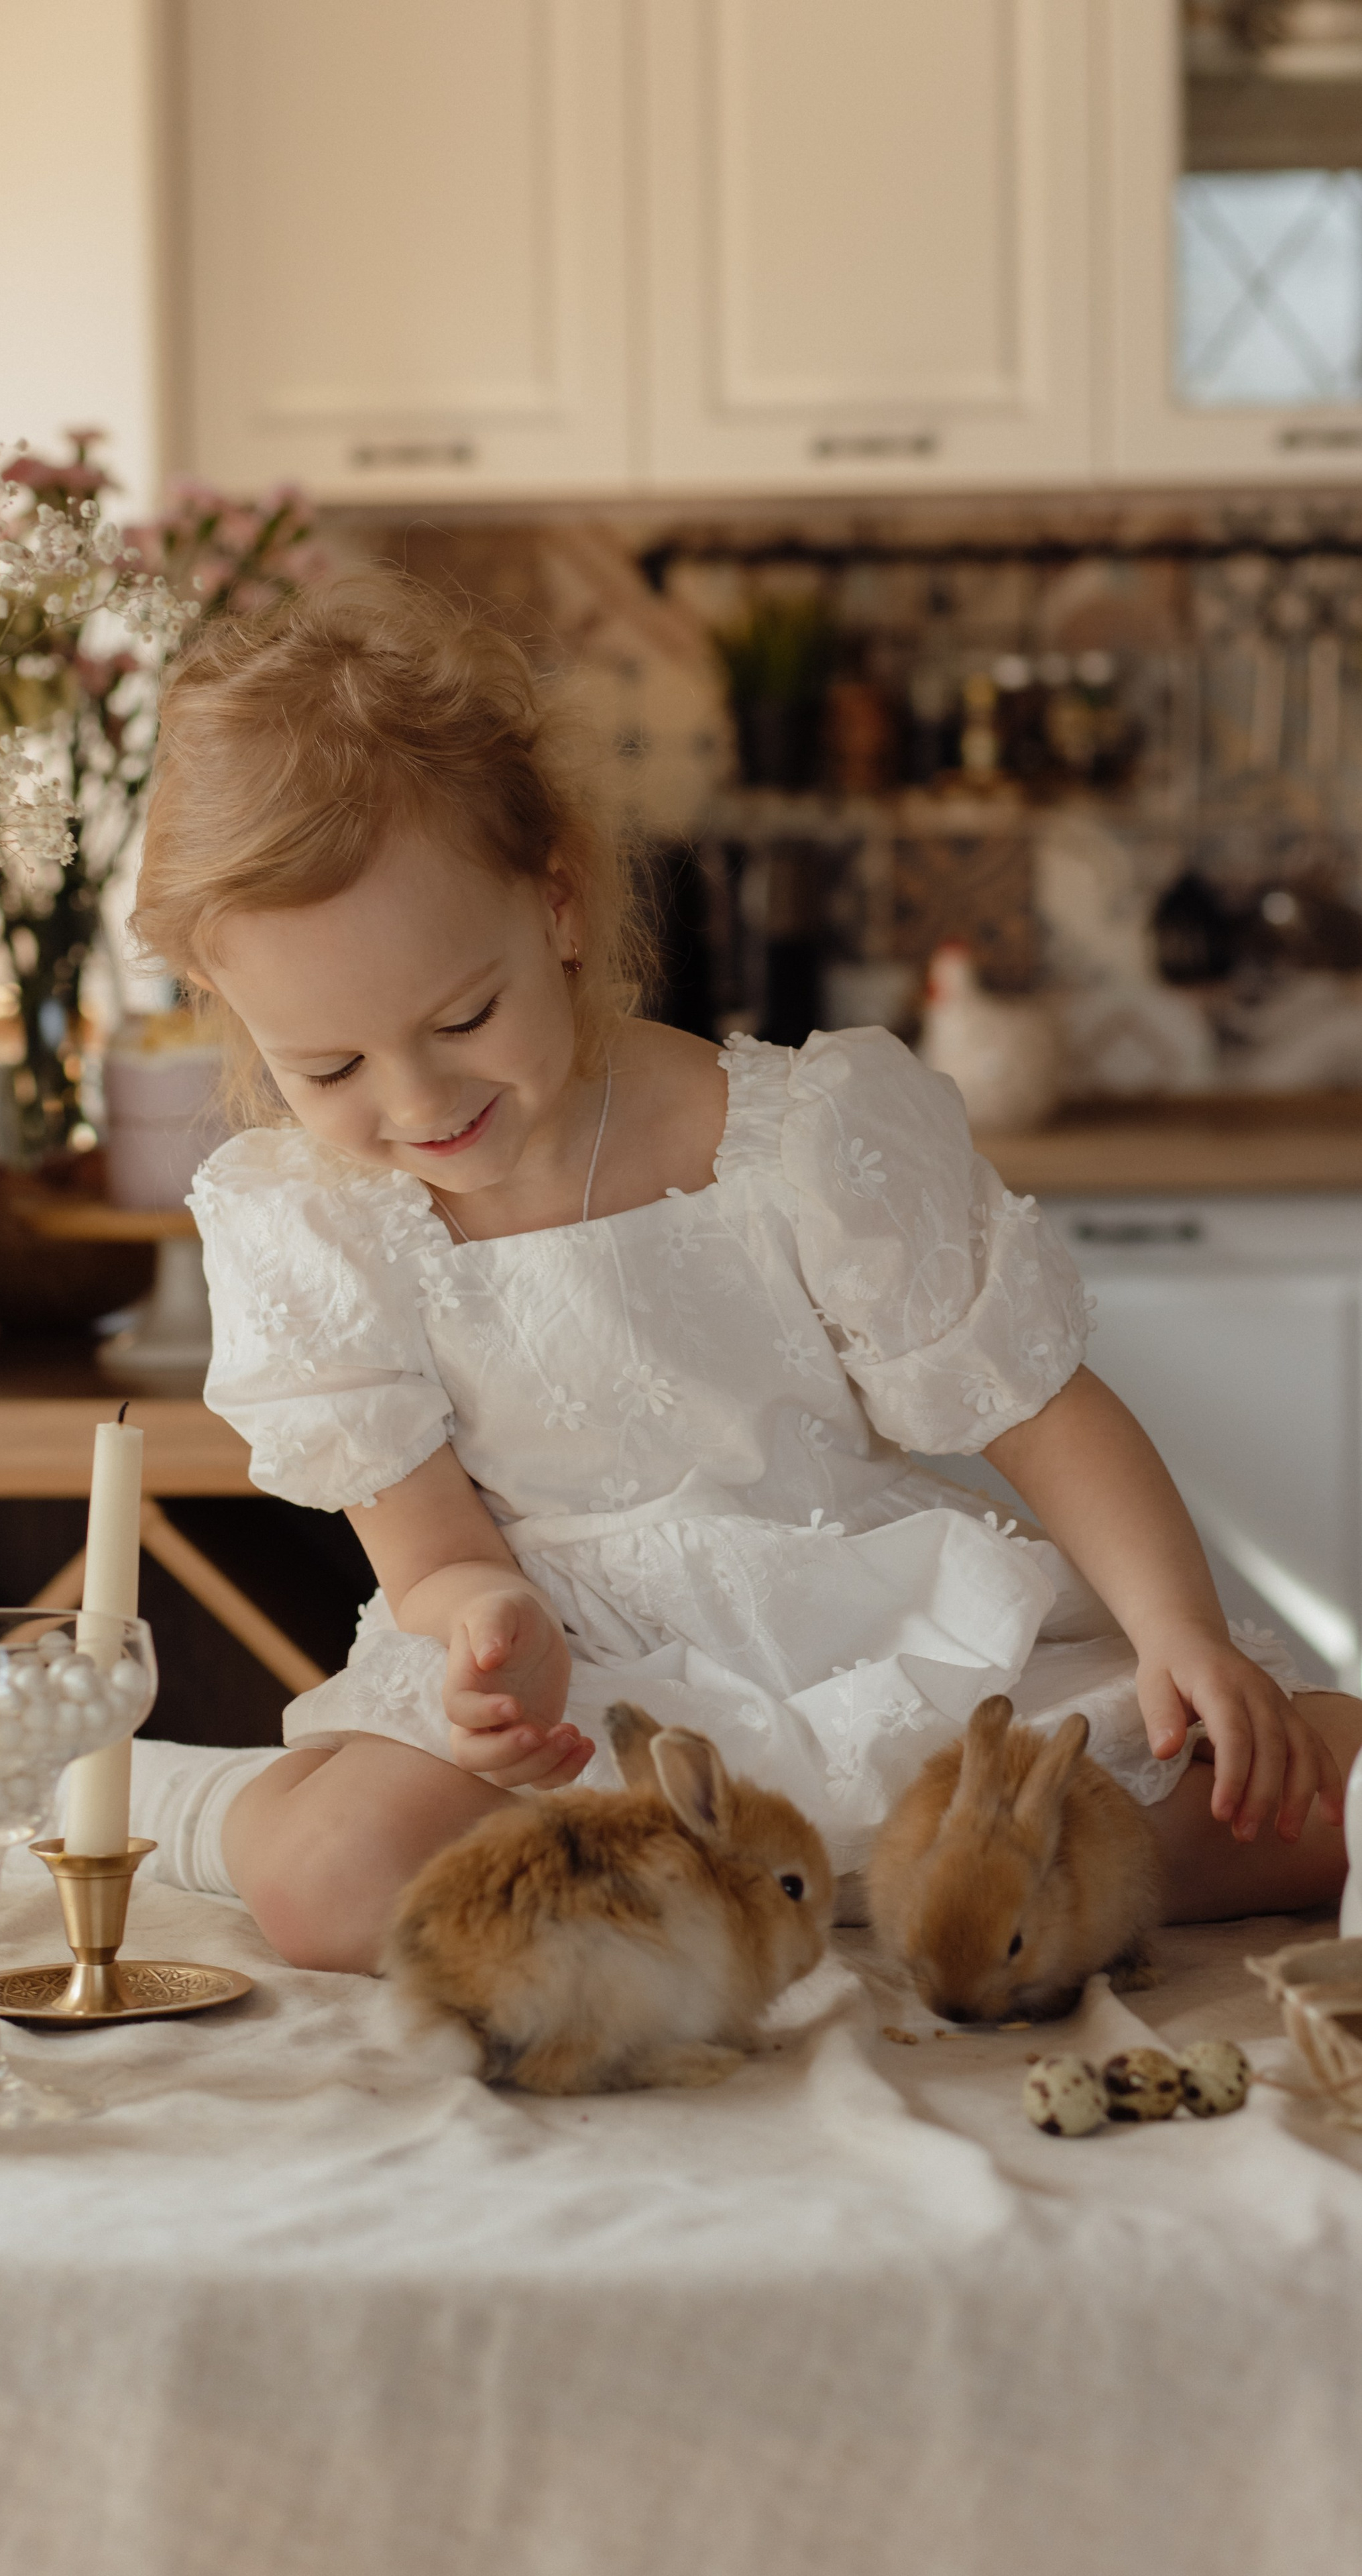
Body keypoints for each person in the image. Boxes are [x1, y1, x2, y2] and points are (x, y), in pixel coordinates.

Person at [127, 573, 1358, 1974]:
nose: (413, 1100)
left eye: (462, 1015)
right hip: (590, 1685)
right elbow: (434, 1561)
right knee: (336, 1885)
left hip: (868, 1630)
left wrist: (1176, 1629)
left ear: (559, 902)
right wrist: (490, 1634)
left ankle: (812, 1876)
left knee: (1280, 1805)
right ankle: (207, 1799)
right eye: (327, 1067)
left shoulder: (798, 1136)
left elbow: (1041, 1411)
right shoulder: (321, 1218)